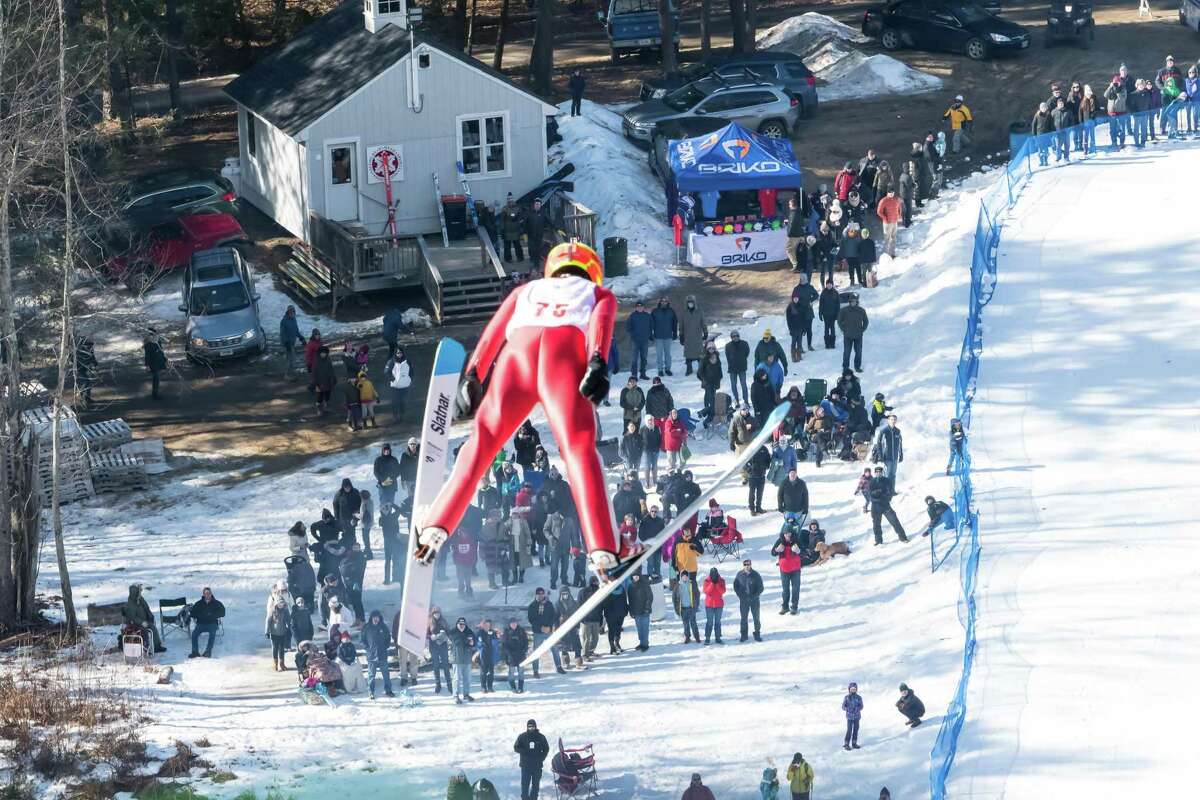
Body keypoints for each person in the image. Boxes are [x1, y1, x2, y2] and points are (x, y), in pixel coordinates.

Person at [415, 243, 628, 577]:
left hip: (517, 356)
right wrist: (597, 363)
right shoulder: (598, 292)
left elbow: (494, 331)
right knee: (578, 450)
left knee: (482, 442)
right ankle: (604, 549)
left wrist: (473, 375)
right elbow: (601, 325)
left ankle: (434, 528)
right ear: (592, 269)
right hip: (564, 354)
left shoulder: (526, 290)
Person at [527, 587, 562, 676]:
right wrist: (541, 627)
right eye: (539, 594)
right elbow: (531, 619)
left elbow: (553, 617)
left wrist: (549, 627)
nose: (540, 595)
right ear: (536, 595)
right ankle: (535, 670)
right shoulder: (532, 606)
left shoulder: (549, 604)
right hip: (538, 632)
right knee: (536, 652)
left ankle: (558, 666)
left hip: (548, 631)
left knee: (555, 649)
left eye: (542, 593)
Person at [869, 466, 908, 545]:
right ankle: (878, 540)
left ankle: (903, 537)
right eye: (876, 472)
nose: (878, 473)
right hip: (875, 506)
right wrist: (876, 493)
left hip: (885, 505)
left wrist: (884, 497)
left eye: (880, 472)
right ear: (875, 473)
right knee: (876, 524)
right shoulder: (872, 481)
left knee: (894, 521)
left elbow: (890, 492)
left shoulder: (886, 481)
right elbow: (870, 494)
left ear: (882, 473)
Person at [121, 583, 165, 653]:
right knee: (144, 631)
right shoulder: (131, 604)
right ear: (135, 593)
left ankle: (157, 646)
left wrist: (150, 615)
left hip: (145, 621)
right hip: (136, 624)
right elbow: (132, 617)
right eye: (139, 591)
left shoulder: (140, 599)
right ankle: (146, 648)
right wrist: (141, 622)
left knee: (153, 628)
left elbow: (147, 608)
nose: (140, 593)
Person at [514, 719, 550, 800]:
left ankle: (533, 798)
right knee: (525, 784)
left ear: (535, 727)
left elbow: (546, 749)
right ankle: (525, 798)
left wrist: (541, 758)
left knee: (535, 784)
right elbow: (516, 747)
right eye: (529, 727)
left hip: (537, 765)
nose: (531, 728)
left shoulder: (541, 737)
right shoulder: (522, 736)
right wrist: (523, 751)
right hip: (525, 766)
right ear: (527, 727)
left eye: (532, 727)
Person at [771, 529, 803, 614]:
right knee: (785, 590)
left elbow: (804, 552)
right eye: (785, 534)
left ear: (791, 534)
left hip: (795, 570)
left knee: (795, 589)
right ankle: (785, 607)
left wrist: (798, 551)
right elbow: (773, 553)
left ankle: (794, 607)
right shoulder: (780, 541)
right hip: (784, 570)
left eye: (789, 533)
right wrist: (777, 550)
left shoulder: (796, 541)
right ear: (783, 534)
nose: (787, 535)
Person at [188, 587, 225, 659]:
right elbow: (192, 613)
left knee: (212, 634)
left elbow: (223, 612)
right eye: (206, 593)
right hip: (201, 623)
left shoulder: (217, 603)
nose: (207, 595)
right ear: (203, 594)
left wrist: (213, 615)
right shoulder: (199, 603)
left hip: (212, 623)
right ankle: (195, 652)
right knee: (194, 634)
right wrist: (200, 615)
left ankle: (208, 651)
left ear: (211, 594)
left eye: (209, 593)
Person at [447, 616, 477, 704]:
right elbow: (457, 642)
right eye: (460, 624)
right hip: (457, 659)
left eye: (463, 624)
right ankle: (455, 695)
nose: (462, 626)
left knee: (467, 678)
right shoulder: (453, 632)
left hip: (467, 659)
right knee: (457, 678)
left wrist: (472, 642)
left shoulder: (469, 631)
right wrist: (467, 641)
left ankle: (466, 694)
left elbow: (474, 641)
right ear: (457, 624)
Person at [837, 294, 868, 373]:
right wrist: (843, 329)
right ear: (849, 302)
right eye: (851, 301)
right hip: (848, 335)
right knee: (847, 352)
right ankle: (845, 367)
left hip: (858, 335)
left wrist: (862, 330)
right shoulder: (844, 310)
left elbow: (866, 321)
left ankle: (857, 366)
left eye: (854, 301)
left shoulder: (861, 310)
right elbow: (839, 321)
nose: (853, 302)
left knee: (858, 352)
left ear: (856, 301)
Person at [265, 582, 292, 671]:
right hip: (274, 632)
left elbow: (288, 620)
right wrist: (267, 631)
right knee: (275, 648)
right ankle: (275, 663)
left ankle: (282, 663)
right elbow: (268, 621)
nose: (281, 605)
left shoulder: (285, 611)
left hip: (282, 632)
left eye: (282, 604)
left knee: (282, 649)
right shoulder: (272, 611)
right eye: (279, 604)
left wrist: (290, 627)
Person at [679, 295, 708, 376]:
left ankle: (701, 369)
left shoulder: (699, 312)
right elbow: (681, 325)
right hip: (687, 337)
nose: (690, 304)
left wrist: (705, 332)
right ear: (687, 303)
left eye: (691, 302)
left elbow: (703, 323)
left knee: (699, 353)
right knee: (688, 354)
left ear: (694, 303)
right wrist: (681, 335)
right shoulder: (684, 313)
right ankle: (689, 369)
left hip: (697, 336)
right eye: (689, 302)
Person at [627, 568, 653, 651]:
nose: (635, 577)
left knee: (645, 628)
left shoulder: (645, 584)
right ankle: (641, 643)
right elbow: (630, 600)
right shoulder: (630, 587)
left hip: (645, 611)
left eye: (637, 576)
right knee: (639, 629)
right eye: (634, 576)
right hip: (636, 612)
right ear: (632, 577)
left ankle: (645, 644)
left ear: (639, 576)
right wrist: (631, 611)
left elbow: (650, 597)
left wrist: (647, 608)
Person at [871, 414, 904, 481]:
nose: (893, 421)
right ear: (888, 421)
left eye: (894, 419)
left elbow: (900, 444)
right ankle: (887, 491)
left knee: (893, 475)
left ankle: (892, 490)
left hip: (895, 457)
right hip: (886, 457)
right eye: (891, 419)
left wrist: (901, 455)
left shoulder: (898, 431)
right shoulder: (884, 431)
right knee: (887, 475)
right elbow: (879, 444)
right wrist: (880, 456)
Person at [651, 297, 678, 377]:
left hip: (668, 336)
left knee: (668, 354)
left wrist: (675, 332)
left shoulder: (671, 311)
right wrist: (651, 333)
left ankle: (668, 369)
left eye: (665, 301)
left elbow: (675, 322)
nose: (664, 302)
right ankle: (660, 370)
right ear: (660, 302)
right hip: (658, 336)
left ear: (667, 302)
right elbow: (651, 323)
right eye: (662, 301)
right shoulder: (655, 311)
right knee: (659, 354)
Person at [626, 300, 653, 379]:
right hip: (635, 341)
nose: (640, 308)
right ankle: (634, 375)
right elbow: (628, 327)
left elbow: (651, 327)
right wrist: (632, 334)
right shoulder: (632, 316)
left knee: (644, 358)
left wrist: (650, 335)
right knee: (634, 359)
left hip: (645, 341)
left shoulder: (647, 316)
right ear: (636, 307)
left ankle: (643, 374)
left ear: (643, 307)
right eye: (638, 306)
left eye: (641, 306)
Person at [724, 330, 751, 406]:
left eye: (737, 336)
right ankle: (736, 401)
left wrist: (742, 360)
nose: (735, 337)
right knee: (733, 385)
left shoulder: (744, 344)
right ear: (731, 337)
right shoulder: (728, 346)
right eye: (734, 336)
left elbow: (747, 353)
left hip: (742, 368)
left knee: (744, 385)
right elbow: (727, 356)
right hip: (732, 369)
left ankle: (746, 401)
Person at [278, 306, 306, 379]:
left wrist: (301, 338)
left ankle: (291, 373)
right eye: (291, 311)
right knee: (289, 359)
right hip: (287, 344)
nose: (292, 313)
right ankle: (286, 375)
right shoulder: (284, 321)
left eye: (293, 311)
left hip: (292, 343)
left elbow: (296, 331)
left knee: (292, 359)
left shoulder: (294, 319)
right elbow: (282, 333)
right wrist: (286, 343)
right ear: (288, 312)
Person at [674, 570, 701, 643]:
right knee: (685, 624)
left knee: (693, 623)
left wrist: (696, 606)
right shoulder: (678, 585)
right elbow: (674, 598)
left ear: (688, 576)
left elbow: (697, 595)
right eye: (683, 576)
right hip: (683, 609)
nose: (685, 578)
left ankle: (697, 637)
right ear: (681, 577)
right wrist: (676, 609)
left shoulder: (692, 584)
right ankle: (687, 637)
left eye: (686, 576)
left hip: (691, 608)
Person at [502, 618, 529, 692]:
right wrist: (508, 653)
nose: (513, 625)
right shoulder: (507, 632)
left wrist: (524, 650)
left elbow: (526, 641)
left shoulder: (521, 631)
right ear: (510, 624)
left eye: (515, 623)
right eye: (512, 623)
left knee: (521, 672)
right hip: (511, 655)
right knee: (511, 673)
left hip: (520, 655)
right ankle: (513, 687)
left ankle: (521, 687)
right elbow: (504, 644)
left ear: (517, 623)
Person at [697, 350, 723, 423]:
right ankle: (706, 409)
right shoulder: (704, 358)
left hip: (715, 381)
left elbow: (719, 368)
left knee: (713, 396)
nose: (711, 350)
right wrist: (704, 379)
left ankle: (711, 409)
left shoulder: (717, 358)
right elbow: (700, 372)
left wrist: (720, 376)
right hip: (707, 381)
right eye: (710, 348)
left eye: (713, 348)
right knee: (708, 395)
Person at [701, 567, 725, 645]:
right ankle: (707, 638)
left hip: (719, 605)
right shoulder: (707, 581)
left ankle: (718, 638)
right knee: (709, 622)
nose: (714, 575)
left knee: (718, 622)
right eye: (712, 574)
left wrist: (717, 584)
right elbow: (706, 591)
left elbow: (723, 591)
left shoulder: (721, 580)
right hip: (709, 605)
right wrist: (712, 584)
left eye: (715, 573)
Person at [476, 618, 501, 692]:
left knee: (491, 672)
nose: (487, 626)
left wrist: (497, 637)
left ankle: (490, 687)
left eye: (489, 625)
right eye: (486, 625)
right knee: (483, 672)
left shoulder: (492, 632)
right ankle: (483, 687)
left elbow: (496, 641)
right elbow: (478, 643)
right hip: (483, 654)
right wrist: (482, 644)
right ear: (483, 625)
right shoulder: (480, 633)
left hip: (491, 654)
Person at [499, 195, 526, 262]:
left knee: (517, 245)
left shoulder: (518, 208)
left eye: (511, 200)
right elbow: (501, 220)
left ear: (513, 200)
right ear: (507, 201)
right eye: (509, 200)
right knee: (507, 247)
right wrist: (502, 230)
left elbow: (521, 218)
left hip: (516, 230)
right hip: (507, 231)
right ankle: (508, 259)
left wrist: (521, 228)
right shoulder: (504, 209)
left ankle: (520, 257)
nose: (510, 201)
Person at [875, 189, 901, 258]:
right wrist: (885, 218)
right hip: (887, 223)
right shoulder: (884, 200)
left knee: (894, 238)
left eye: (893, 193)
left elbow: (899, 208)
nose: (891, 194)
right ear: (887, 193)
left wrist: (899, 215)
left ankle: (892, 254)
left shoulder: (896, 199)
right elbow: (879, 211)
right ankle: (886, 255)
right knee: (887, 239)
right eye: (890, 193)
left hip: (895, 222)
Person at [746, 444, 770, 516]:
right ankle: (752, 509)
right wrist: (749, 469)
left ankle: (759, 508)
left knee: (760, 493)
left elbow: (768, 459)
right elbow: (745, 461)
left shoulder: (764, 449)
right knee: (752, 493)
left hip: (761, 475)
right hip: (752, 476)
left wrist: (766, 466)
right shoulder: (750, 448)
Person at [310, 346, 336, 416]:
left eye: (324, 353)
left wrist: (333, 379)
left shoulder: (328, 361)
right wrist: (315, 383)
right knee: (320, 397)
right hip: (319, 382)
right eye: (322, 353)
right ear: (319, 353)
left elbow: (331, 370)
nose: (323, 354)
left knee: (327, 394)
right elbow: (314, 373)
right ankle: (319, 409)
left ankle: (326, 407)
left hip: (327, 381)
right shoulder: (316, 362)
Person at [143, 329, 167, 400]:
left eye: (155, 334)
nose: (155, 336)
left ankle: (155, 393)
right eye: (152, 335)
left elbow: (161, 351)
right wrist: (147, 365)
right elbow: (147, 355)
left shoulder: (158, 341)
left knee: (157, 378)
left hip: (159, 361)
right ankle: (155, 394)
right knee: (156, 378)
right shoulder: (148, 344)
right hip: (153, 363)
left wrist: (165, 359)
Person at [842, 681, 863, 750]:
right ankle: (846, 743)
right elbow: (843, 707)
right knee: (849, 730)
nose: (853, 690)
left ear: (856, 689)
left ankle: (854, 743)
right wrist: (848, 709)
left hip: (857, 717)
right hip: (849, 717)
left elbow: (861, 706)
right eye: (851, 689)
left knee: (855, 730)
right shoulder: (847, 697)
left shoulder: (859, 697)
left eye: (854, 689)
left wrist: (857, 708)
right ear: (849, 689)